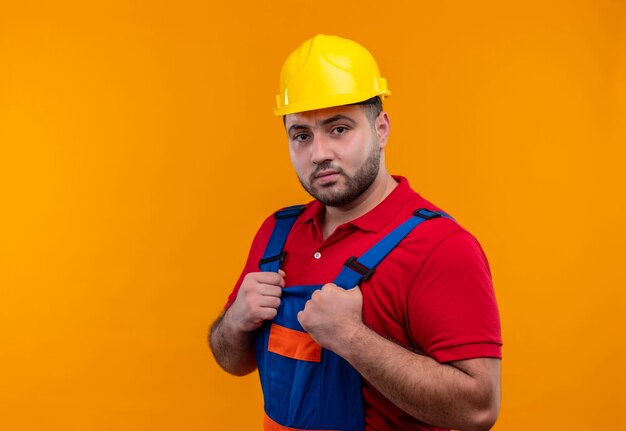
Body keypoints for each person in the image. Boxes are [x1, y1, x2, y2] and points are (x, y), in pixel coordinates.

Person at [209, 34, 502, 431]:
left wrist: (350, 337)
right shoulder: (277, 234)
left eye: (340, 129)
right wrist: (235, 321)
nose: (319, 153)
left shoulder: (441, 248)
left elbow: (478, 411)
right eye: (302, 135)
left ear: (381, 129)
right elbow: (232, 361)